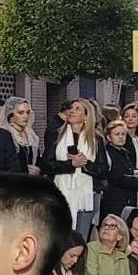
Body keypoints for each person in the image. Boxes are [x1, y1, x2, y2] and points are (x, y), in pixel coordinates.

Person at [42, 96, 103, 243]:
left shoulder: (96, 139)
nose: (72, 111)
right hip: (61, 192)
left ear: (86, 116)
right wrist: (70, 165)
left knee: (80, 238)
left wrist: (85, 164)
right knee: (59, 236)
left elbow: (104, 169)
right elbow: (46, 164)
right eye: (71, 108)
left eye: (77, 109)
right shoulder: (56, 135)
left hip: (86, 195)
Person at [95, 115, 138, 225]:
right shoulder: (108, 154)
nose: (121, 137)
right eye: (117, 134)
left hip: (128, 200)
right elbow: (117, 177)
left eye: (123, 134)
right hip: (115, 202)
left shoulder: (124, 153)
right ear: (109, 137)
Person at [0, 97, 36, 179]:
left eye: (28, 112)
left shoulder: (31, 135)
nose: (25, 116)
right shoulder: (6, 134)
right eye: (21, 113)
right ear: (11, 116)